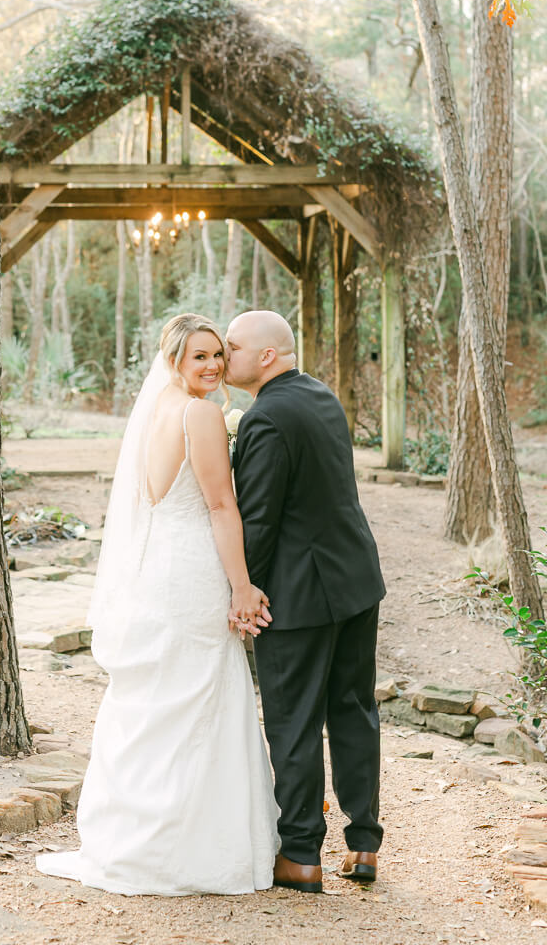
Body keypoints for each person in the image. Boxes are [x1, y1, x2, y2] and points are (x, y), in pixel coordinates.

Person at [36, 313, 279, 896]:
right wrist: (242, 586)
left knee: (158, 700)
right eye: (200, 356)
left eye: (218, 354)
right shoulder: (198, 412)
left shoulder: (157, 412)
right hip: (193, 570)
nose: (214, 365)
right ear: (174, 361)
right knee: (196, 696)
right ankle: (190, 851)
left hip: (158, 571)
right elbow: (222, 506)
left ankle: (139, 839)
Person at [225, 309, 386, 895]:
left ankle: (299, 856)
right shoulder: (321, 396)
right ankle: (364, 844)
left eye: (234, 346)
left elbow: (259, 519)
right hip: (356, 581)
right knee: (353, 710)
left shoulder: (266, 416)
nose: (224, 356)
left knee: (293, 722)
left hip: (298, 596)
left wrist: (245, 592)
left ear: (268, 355)